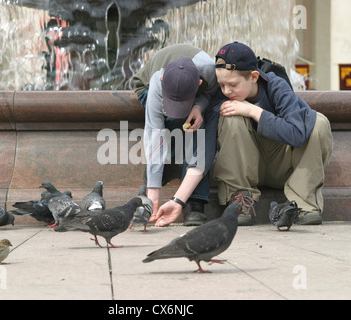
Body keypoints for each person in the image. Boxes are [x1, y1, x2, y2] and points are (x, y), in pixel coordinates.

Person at [212, 41, 333, 226]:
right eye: (221, 84)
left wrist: (253, 111)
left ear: (253, 76)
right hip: (248, 167)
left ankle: (304, 203)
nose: (226, 91)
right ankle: (241, 200)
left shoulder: (276, 86)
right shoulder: (224, 95)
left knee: (318, 122)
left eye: (233, 84)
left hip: (284, 167)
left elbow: (297, 134)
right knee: (230, 115)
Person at [132, 44, 219, 226]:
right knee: (173, 123)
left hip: (193, 91)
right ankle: (159, 175)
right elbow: (155, 134)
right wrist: (153, 192)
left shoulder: (210, 72)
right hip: (147, 86)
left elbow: (210, 93)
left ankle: (195, 200)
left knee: (196, 124)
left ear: (199, 84)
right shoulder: (157, 81)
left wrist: (198, 107)